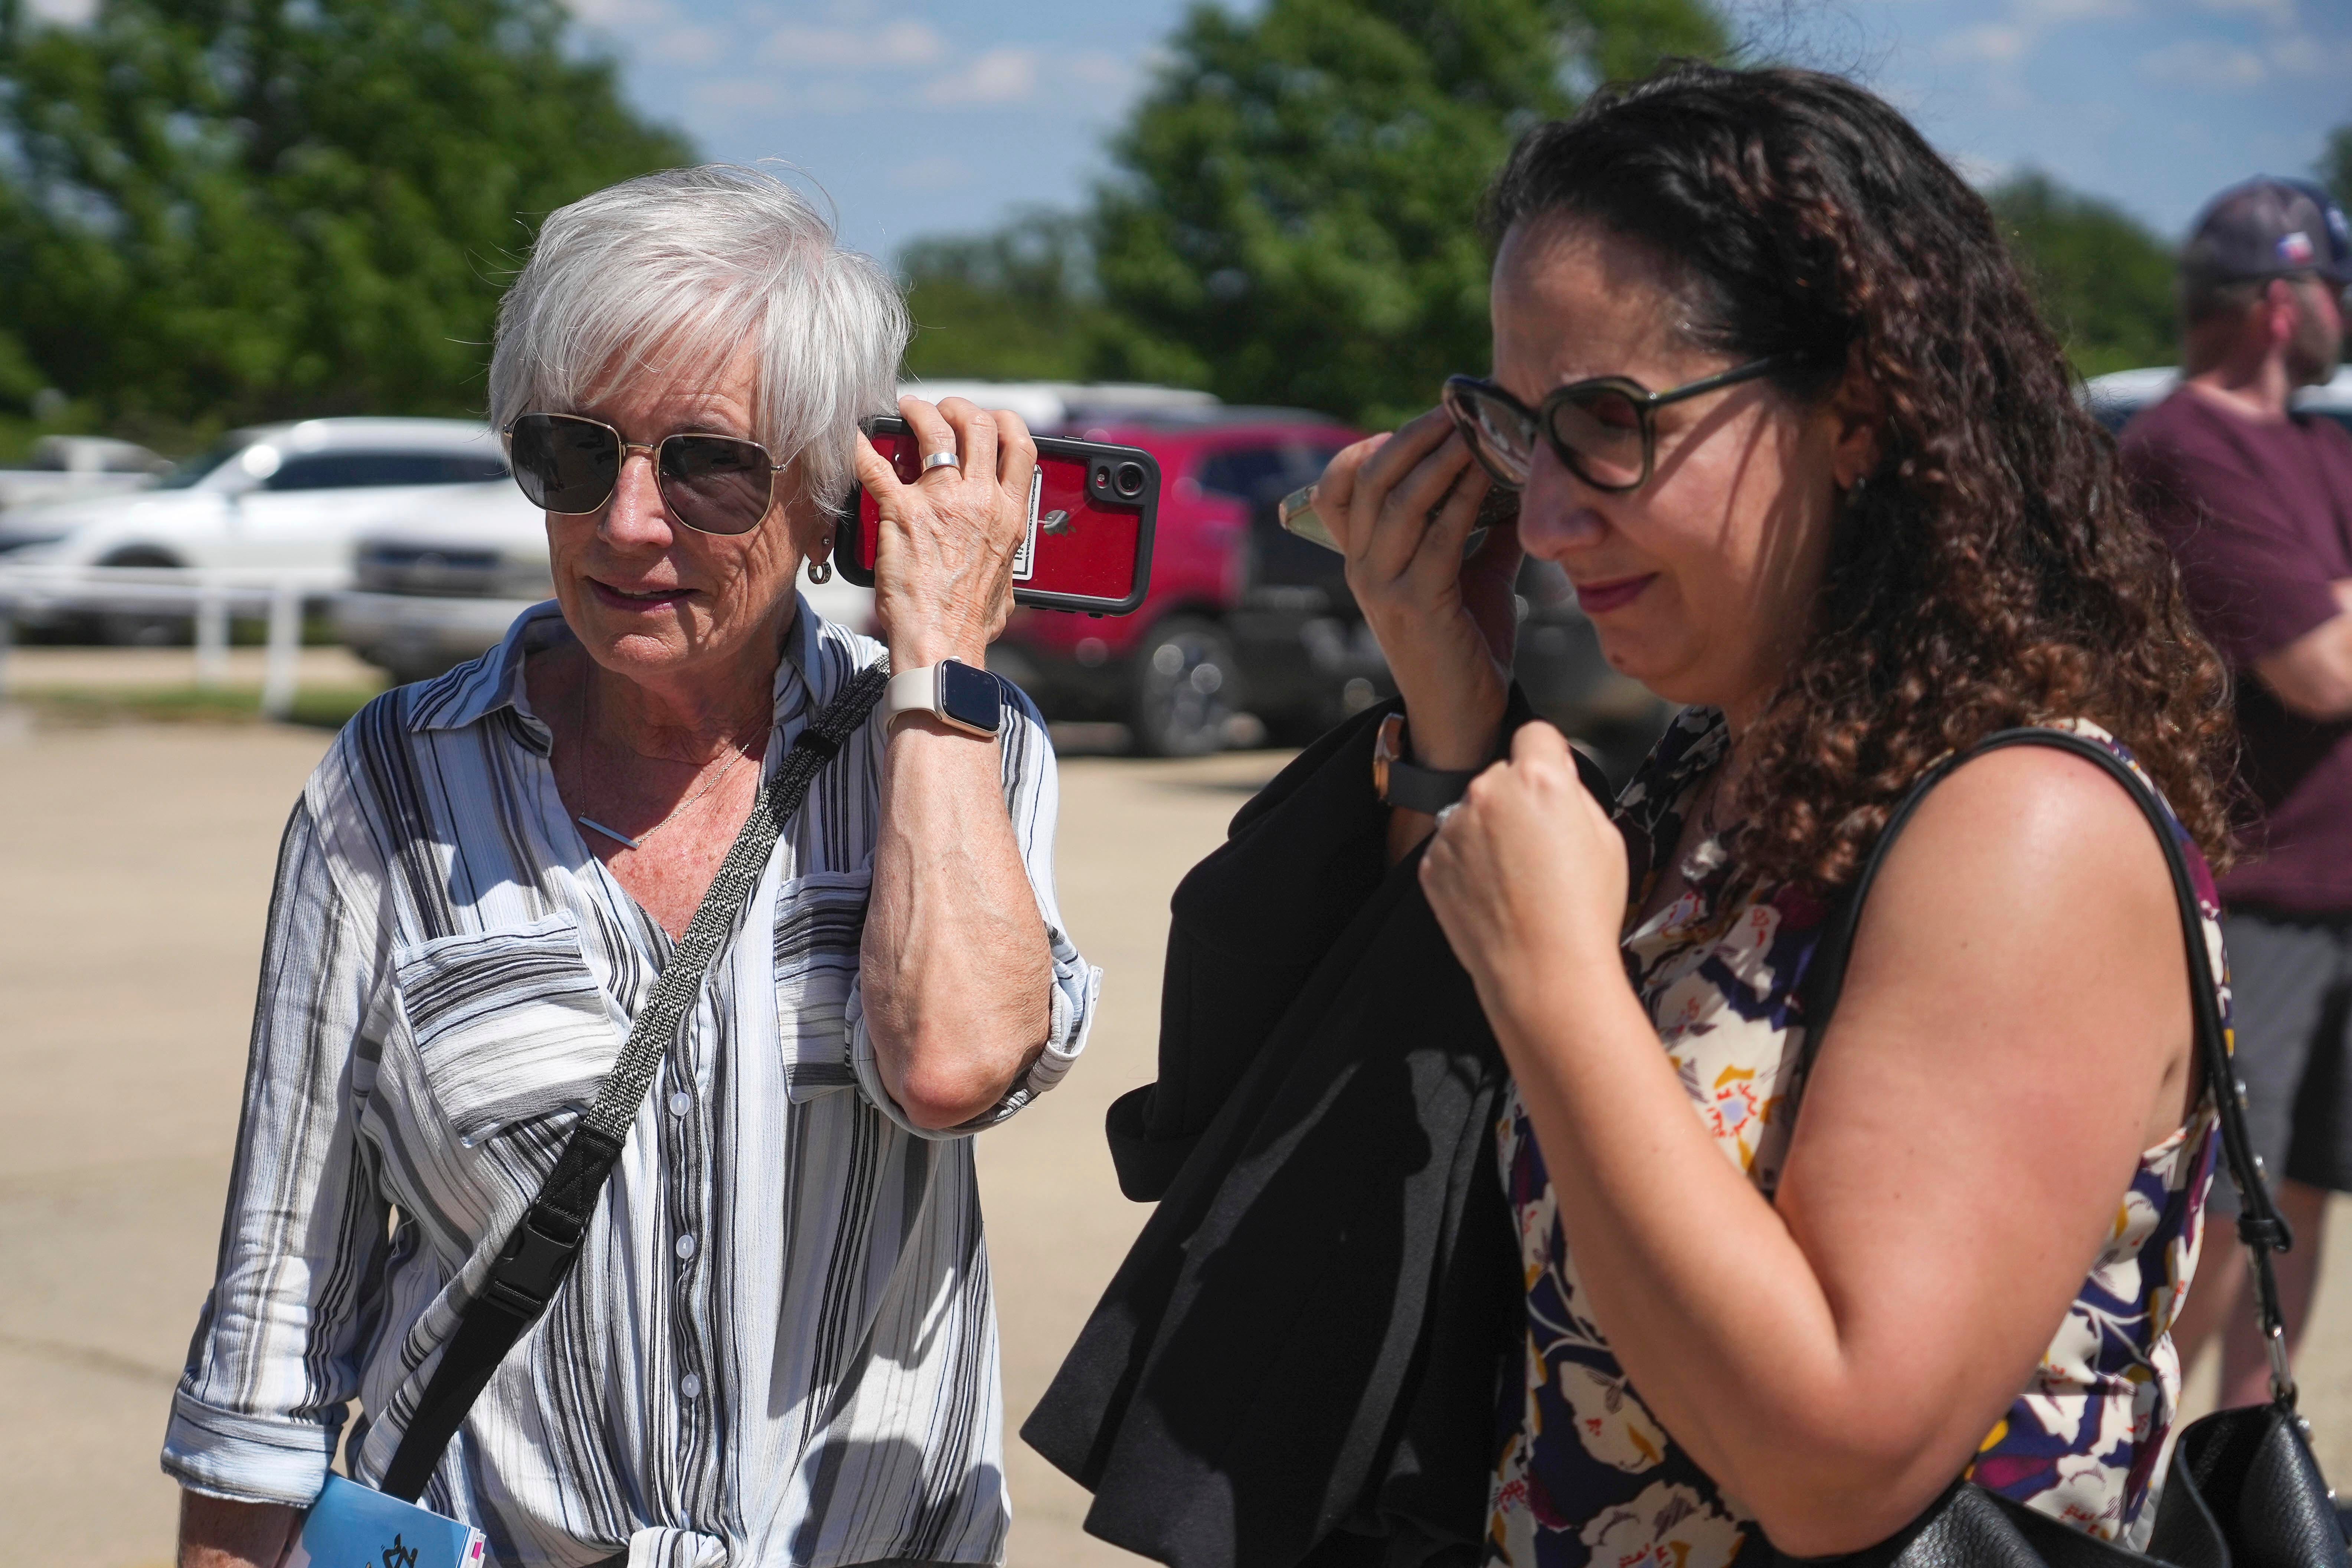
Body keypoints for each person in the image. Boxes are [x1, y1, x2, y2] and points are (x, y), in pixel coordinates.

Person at [1040, 63, 2241, 1568]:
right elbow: (1412, 1149)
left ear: (1855, 412)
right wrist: (1450, 711)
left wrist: (1555, 977)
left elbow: (1834, 1461)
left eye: (1610, 423)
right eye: (1515, 428)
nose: (1540, 515)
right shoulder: (1710, 773)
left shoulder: (2024, 830)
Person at [163, 165, 1099, 1567]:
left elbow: (956, 1066)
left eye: (710, 463)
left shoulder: (960, 747)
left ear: (832, 492)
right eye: (575, 454)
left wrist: (941, 666)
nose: (627, 524)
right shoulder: (394, 783)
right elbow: (275, 1319)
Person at [2120, 176, 2352, 1411]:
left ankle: (2252, 1453)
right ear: (2280, 302)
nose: (2345, 316)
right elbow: (2320, 669)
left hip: (2343, 891)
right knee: (2225, 1200)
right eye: (2336, 290)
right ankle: (2151, 1479)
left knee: (2310, 1191)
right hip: (2254, 891)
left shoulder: (2318, 447)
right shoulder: (2182, 445)